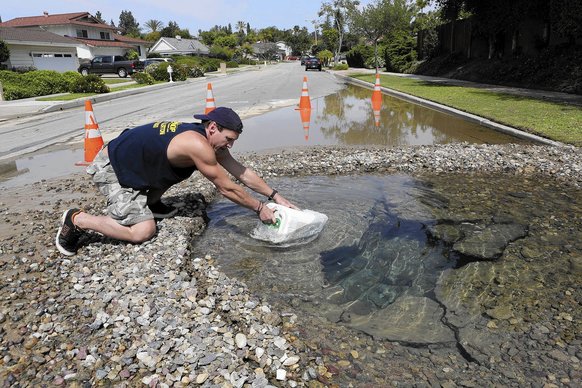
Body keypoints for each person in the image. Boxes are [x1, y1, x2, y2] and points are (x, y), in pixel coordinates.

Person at [55, 107, 298, 256]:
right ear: (213, 127)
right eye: (229, 139)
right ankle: (78, 220)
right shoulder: (197, 145)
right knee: (143, 231)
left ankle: (151, 202)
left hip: (134, 161)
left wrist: (274, 195)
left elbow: (241, 172)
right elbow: (225, 186)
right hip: (112, 168)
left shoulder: (207, 138)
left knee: (177, 168)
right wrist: (259, 208)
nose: (230, 145)